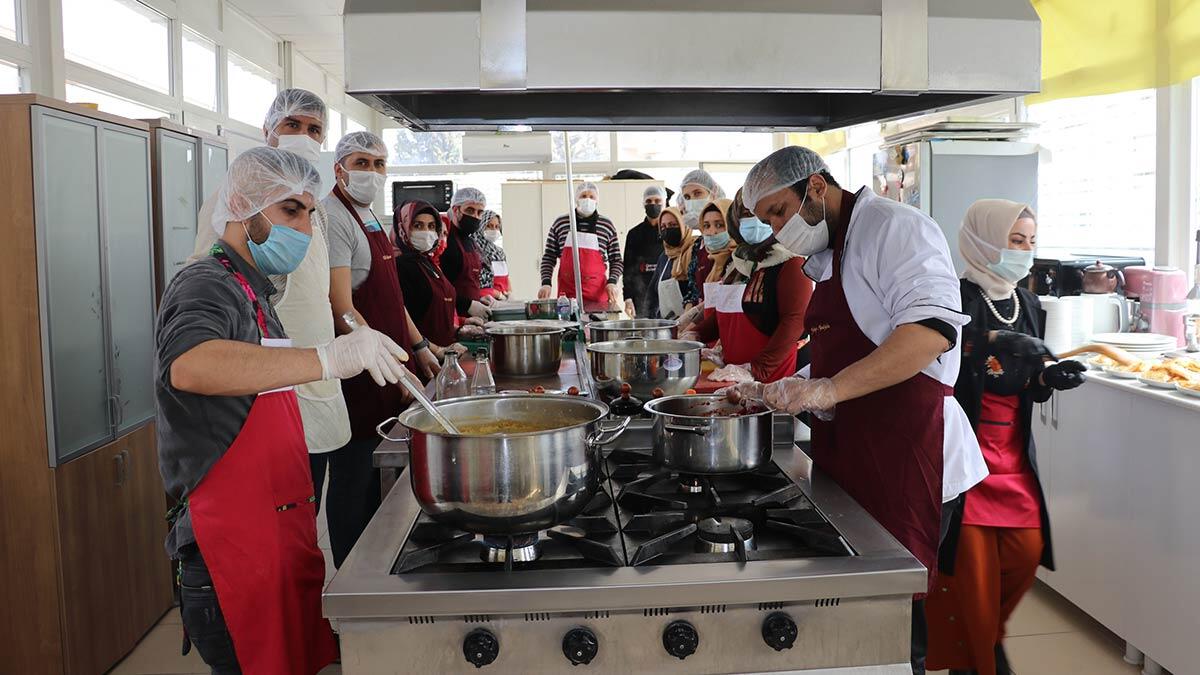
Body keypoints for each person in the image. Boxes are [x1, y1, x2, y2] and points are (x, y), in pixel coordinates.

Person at [724, 146, 987, 675]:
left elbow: (928, 333)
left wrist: (826, 392)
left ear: (817, 186)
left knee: (892, 621)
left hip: (912, 451)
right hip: (859, 450)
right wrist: (776, 390)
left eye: (778, 213)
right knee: (861, 619)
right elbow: (845, 354)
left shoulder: (896, 229)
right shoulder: (831, 251)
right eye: (767, 220)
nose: (776, 230)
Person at [156, 147, 409, 674]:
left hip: (275, 531)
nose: (306, 227)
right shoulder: (206, 282)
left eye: (311, 214)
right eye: (291, 211)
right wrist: (325, 358)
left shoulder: (255, 289)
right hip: (232, 546)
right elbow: (191, 366)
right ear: (245, 209)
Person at [926, 201, 1085, 675]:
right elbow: (948, 349)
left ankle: (983, 645)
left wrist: (1050, 380)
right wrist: (994, 342)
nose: (1025, 253)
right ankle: (982, 661)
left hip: (1014, 460)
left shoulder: (1030, 303)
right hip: (970, 462)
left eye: (1031, 242)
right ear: (985, 241)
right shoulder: (955, 298)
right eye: (1016, 242)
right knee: (971, 584)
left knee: (1025, 553)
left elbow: (1031, 383)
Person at [189, 88, 353, 510]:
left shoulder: (309, 203)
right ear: (268, 131)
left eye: (314, 129)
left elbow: (317, 290)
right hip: (265, 385)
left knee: (304, 509)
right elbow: (218, 278)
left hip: (311, 373)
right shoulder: (234, 200)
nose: (303, 135)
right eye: (291, 124)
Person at [322, 131, 440, 567]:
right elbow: (342, 308)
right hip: (360, 377)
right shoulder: (334, 216)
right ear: (339, 169)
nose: (371, 171)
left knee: (379, 480)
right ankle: (354, 574)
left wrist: (418, 344)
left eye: (379, 163)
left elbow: (392, 296)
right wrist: (383, 359)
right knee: (356, 477)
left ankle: (382, 562)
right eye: (361, 162)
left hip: (386, 369)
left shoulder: (369, 216)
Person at [685, 192, 811, 384]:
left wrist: (755, 368)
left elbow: (795, 321)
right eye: (746, 213)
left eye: (761, 213)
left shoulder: (790, 262)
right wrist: (696, 334)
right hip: (733, 379)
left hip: (773, 381)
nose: (754, 219)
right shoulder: (737, 264)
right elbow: (724, 316)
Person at [393, 199, 468, 349]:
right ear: (402, 227)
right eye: (417, 225)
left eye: (431, 226)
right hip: (421, 358)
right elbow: (402, 321)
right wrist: (435, 349)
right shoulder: (400, 266)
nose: (426, 232)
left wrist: (459, 330)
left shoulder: (428, 262)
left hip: (445, 355)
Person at [537, 181, 624, 311]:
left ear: (597, 200)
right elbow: (549, 257)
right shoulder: (561, 223)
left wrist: (612, 282)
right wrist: (546, 283)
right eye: (583, 196)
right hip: (567, 296)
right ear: (576, 199)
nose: (587, 199)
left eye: (591, 197)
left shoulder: (606, 225)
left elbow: (616, 260)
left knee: (597, 331)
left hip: (597, 296)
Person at [442, 187, 495, 318]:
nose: (475, 217)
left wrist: (479, 298)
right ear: (456, 210)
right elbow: (441, 288)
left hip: (474, 316)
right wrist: (467, 304)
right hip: (452, 315)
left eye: (479, 212)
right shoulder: (445, 241)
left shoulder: (471, 241)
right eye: (470, 210)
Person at [644, 206, 701, 320]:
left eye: (673, 225)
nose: (668, 230)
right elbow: (651, 294)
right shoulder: (664, 257)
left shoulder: (696, 251)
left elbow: (698, 293)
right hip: (666, 327)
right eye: (663, 227)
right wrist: (647, 319)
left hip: (691, 325)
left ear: (683, 225)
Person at [621, 185, 667, 318]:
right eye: (649, 201)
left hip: (665, 294)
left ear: (664, 203)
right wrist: (628, 297)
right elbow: (628, 268)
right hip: (640, 296)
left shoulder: (669, 231)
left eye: (657, 201)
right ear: (643, 204)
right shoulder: (634, 234)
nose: (653, 204)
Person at [693, 198, 737, 303]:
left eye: (719, 225)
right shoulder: (705, 258)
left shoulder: (740, 261)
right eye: (706, 226)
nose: (712, 232)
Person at [474, 209, 510, 299]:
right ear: (481, 226)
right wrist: (498, 295)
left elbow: (506, 278)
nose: (494, 230)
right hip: (485, 299)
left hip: (502, 299)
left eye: (497, 226)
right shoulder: (475, 250)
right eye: (489, 226)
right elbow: (478, 284)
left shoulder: (499, 252)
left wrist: (509, 293)